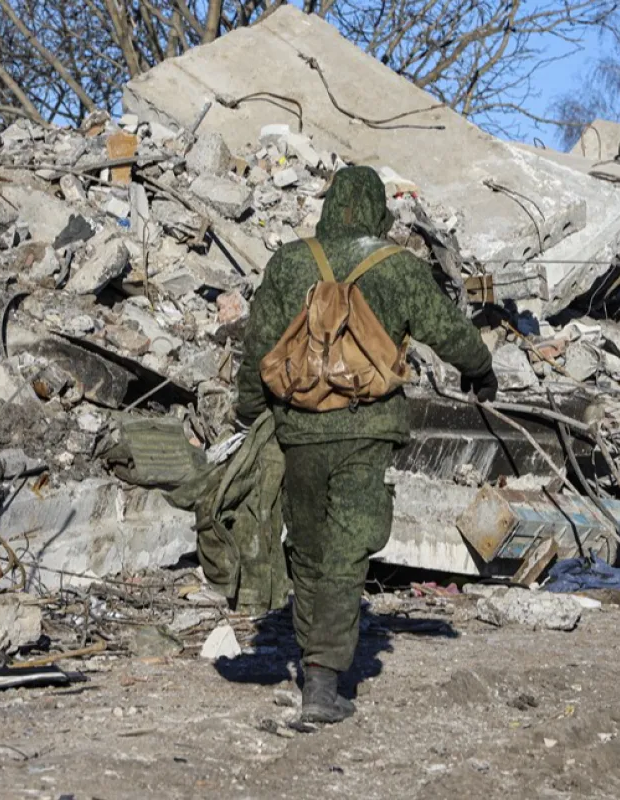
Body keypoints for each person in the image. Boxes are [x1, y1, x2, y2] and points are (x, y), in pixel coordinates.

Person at [235, 166, 497, 723]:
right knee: (348, 546)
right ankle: (324, 680)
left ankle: (316, 662)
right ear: (378, 211)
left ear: (330, 207)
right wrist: (481, 369)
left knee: (307, 544)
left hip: (298, 428)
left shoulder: (289, 261)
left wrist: (252, 414)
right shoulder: (397, 266)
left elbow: (258, 345)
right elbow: (446, 329)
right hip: (366, 425)